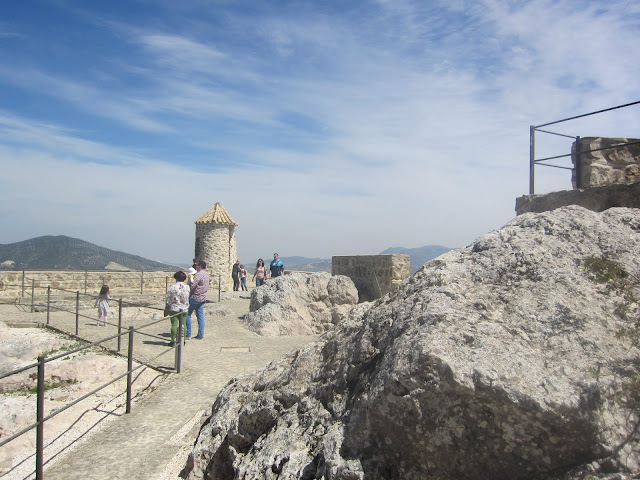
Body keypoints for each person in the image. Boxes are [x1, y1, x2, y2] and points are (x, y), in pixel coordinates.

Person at [165, 271, 190, 347]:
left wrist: (167, 307)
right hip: (184, 308)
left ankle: (173, 341)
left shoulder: (172, 287)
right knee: (184, 324)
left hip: (174, 308)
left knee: (174, 325)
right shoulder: (187, 287)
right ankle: (183, 340)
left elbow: (167, 298)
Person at [186, 260, 209, 339]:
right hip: (202, 298)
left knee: (187, 315)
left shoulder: (199, 274)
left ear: (199, 266)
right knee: (200, 316)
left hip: (195, 297)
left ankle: (188, 334)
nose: (195, 267)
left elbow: (193, 285)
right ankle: (200, 334)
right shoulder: (206, 274)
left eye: (196, 265)